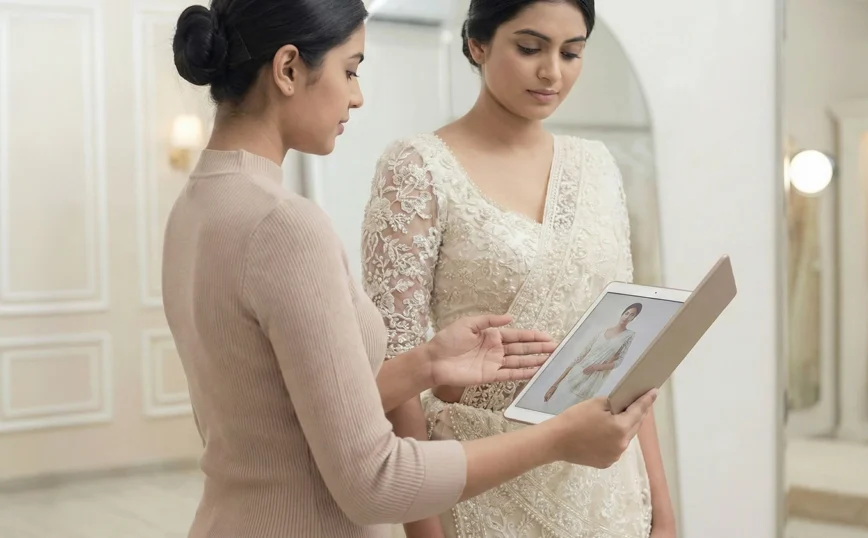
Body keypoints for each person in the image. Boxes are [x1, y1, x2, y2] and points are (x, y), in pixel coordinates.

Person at [162, 1, 658, 537]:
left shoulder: (196, 205)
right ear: (287, 69)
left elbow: (281, 411)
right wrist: (558, 439)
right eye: (350, 70)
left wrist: (425, 364)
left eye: (572, 51)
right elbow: (375, 478)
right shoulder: (285, 224)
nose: (357, 94)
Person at [360, 0, 677, 536]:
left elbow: (628, 347)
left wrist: (663, 514)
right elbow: (399, 368)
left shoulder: (597, 167)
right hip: (482, 479)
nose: (552, 71)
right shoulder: (417, 168)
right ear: (477, 44)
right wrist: (426, 528)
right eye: (530, 48)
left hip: (606, 485)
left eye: (571, 53)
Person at [542, 303, 642, 412]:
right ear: (622, 314)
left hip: (590, 382)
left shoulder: (629, 335)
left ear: (634, 318)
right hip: (575, 374)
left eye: (631, 315)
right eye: (626, 313)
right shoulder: (601, 332)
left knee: (569, 415)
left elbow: (619, 361)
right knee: (550, 410)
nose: (627, 317)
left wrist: (598, 367)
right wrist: (554, 385)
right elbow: (579, 357)